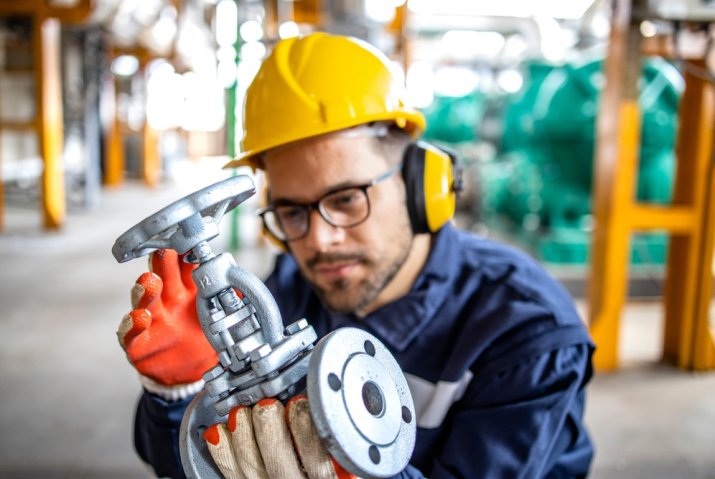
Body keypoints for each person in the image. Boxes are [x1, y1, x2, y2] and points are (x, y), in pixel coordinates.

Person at [117, 33, 594, 479]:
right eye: (292, 212)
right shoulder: (291, 287)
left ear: (422, 186)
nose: (320, 241)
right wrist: (179, 391)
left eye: (346, 199)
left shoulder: (527, 332)